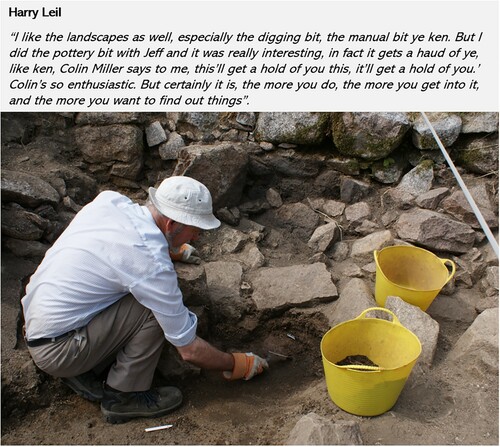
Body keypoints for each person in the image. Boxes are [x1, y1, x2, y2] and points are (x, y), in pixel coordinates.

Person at [21, 175, 269, 424]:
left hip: (38, 322)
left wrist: (172, 248)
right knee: (152, 310)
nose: (195, 238)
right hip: (58, 350)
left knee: (134, 295)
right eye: (194, 230)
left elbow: (116, 249)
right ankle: (124, 396)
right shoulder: (151, 264)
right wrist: (236, 363)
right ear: (172, 225)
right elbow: (189, 350)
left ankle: (88, 367)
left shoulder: (110, 202)